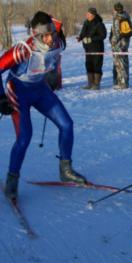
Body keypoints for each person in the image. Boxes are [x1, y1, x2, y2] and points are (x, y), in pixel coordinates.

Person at [0, 11, 87, 200]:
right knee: (24, 137)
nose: (49, 39)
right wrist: (1, 98)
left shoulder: (58, 42)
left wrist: (53, 77)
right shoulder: (22, 49)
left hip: (40, 89)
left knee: (67, 124)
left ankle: (66, 169)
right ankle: (12, 180)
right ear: (35, 35)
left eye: (51, 34)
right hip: (19, 91)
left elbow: (55, 48)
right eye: (45, 36)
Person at [77, 7, 107, 90]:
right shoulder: (86, 22)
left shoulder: (99, 24)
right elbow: (83, 33)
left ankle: (96, 84)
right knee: (88, 65)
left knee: (96, 65)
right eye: (87, 13)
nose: (87, 15)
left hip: (97, 48)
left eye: (88, 14)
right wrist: (80, 37)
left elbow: (103, 36)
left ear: (93, 15)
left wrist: (91, 39)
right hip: (87, 49)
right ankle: (90, 83)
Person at [109, 2, 132, 90]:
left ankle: (122, 84)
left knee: (120, 65)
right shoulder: (126, 16)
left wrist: (113, 42)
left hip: (119, 44)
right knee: (125, 63)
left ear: (115, 9)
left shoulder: (117, 18)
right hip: (125, 43)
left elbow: (116, 34)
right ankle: (125, 83)